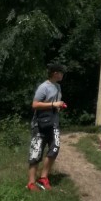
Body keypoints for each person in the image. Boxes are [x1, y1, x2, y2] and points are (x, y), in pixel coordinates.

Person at [27, 63, 67, 191]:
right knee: (36, 151)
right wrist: (53, 104)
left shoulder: (58, 86)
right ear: (55, 73)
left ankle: (43, 178)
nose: (62, 74)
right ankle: (31, 183)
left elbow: (54, 104)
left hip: (53, 122)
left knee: (55, 148)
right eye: (61, 72)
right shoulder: (43, 87)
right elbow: (35, 104)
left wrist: (59, 105)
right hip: (40, 123)